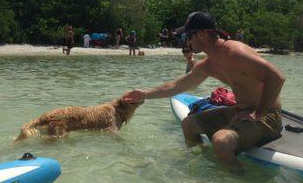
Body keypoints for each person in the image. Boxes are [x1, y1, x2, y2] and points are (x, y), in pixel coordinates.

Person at [122, 11, 286, 172]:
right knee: (189, 124)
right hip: (240, 111)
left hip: (267, 116)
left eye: (189, 36)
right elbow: (175, 86)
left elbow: (277, 77)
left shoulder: (235, 53)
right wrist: (144, 94)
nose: (187, 40)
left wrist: (257, 113)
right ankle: (205, 162)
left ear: (201, 35)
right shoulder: (208, 65)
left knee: (221, 141)